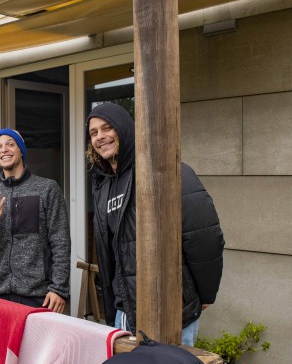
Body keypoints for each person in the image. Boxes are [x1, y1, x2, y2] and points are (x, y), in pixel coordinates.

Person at [86, 102, 224, 346]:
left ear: (125, 129)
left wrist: (205, 292)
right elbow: (110, 256)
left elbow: (205, 236)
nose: (100, 137)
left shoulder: (165, 170)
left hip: (170, 314)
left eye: (108, 128)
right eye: (94, 132)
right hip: (125, 315)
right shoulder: (102, 185)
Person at [0, 129, 70, 312]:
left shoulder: (47, 189)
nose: (4, 150)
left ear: (21, 151)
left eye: (10, 144)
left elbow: (61, 242)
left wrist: (59, 288)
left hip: (38, 295)